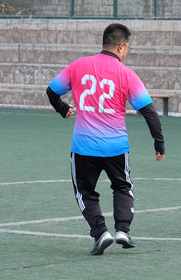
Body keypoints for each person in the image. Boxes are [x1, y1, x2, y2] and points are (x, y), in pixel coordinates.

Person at [46, 23, 165, 255]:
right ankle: (122, 230)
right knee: (122, 186)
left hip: (84, 147)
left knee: (84, 191)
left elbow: (52, 91)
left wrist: (62, 108)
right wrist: (158, 142)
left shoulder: (78, 66)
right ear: (121, 47)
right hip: (116, 146)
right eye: (128, 48)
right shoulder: (126, 74)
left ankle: (100, 233)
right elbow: (149, 112)